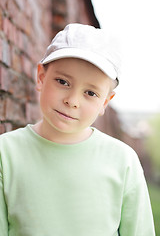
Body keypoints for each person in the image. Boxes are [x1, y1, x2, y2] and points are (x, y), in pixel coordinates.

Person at [0, 23, 155, 236]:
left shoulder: (123, 160)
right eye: (62, 81)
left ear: (105, 102)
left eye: (90, 93)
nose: (72, 101)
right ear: (41, 77)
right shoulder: (6, 152)